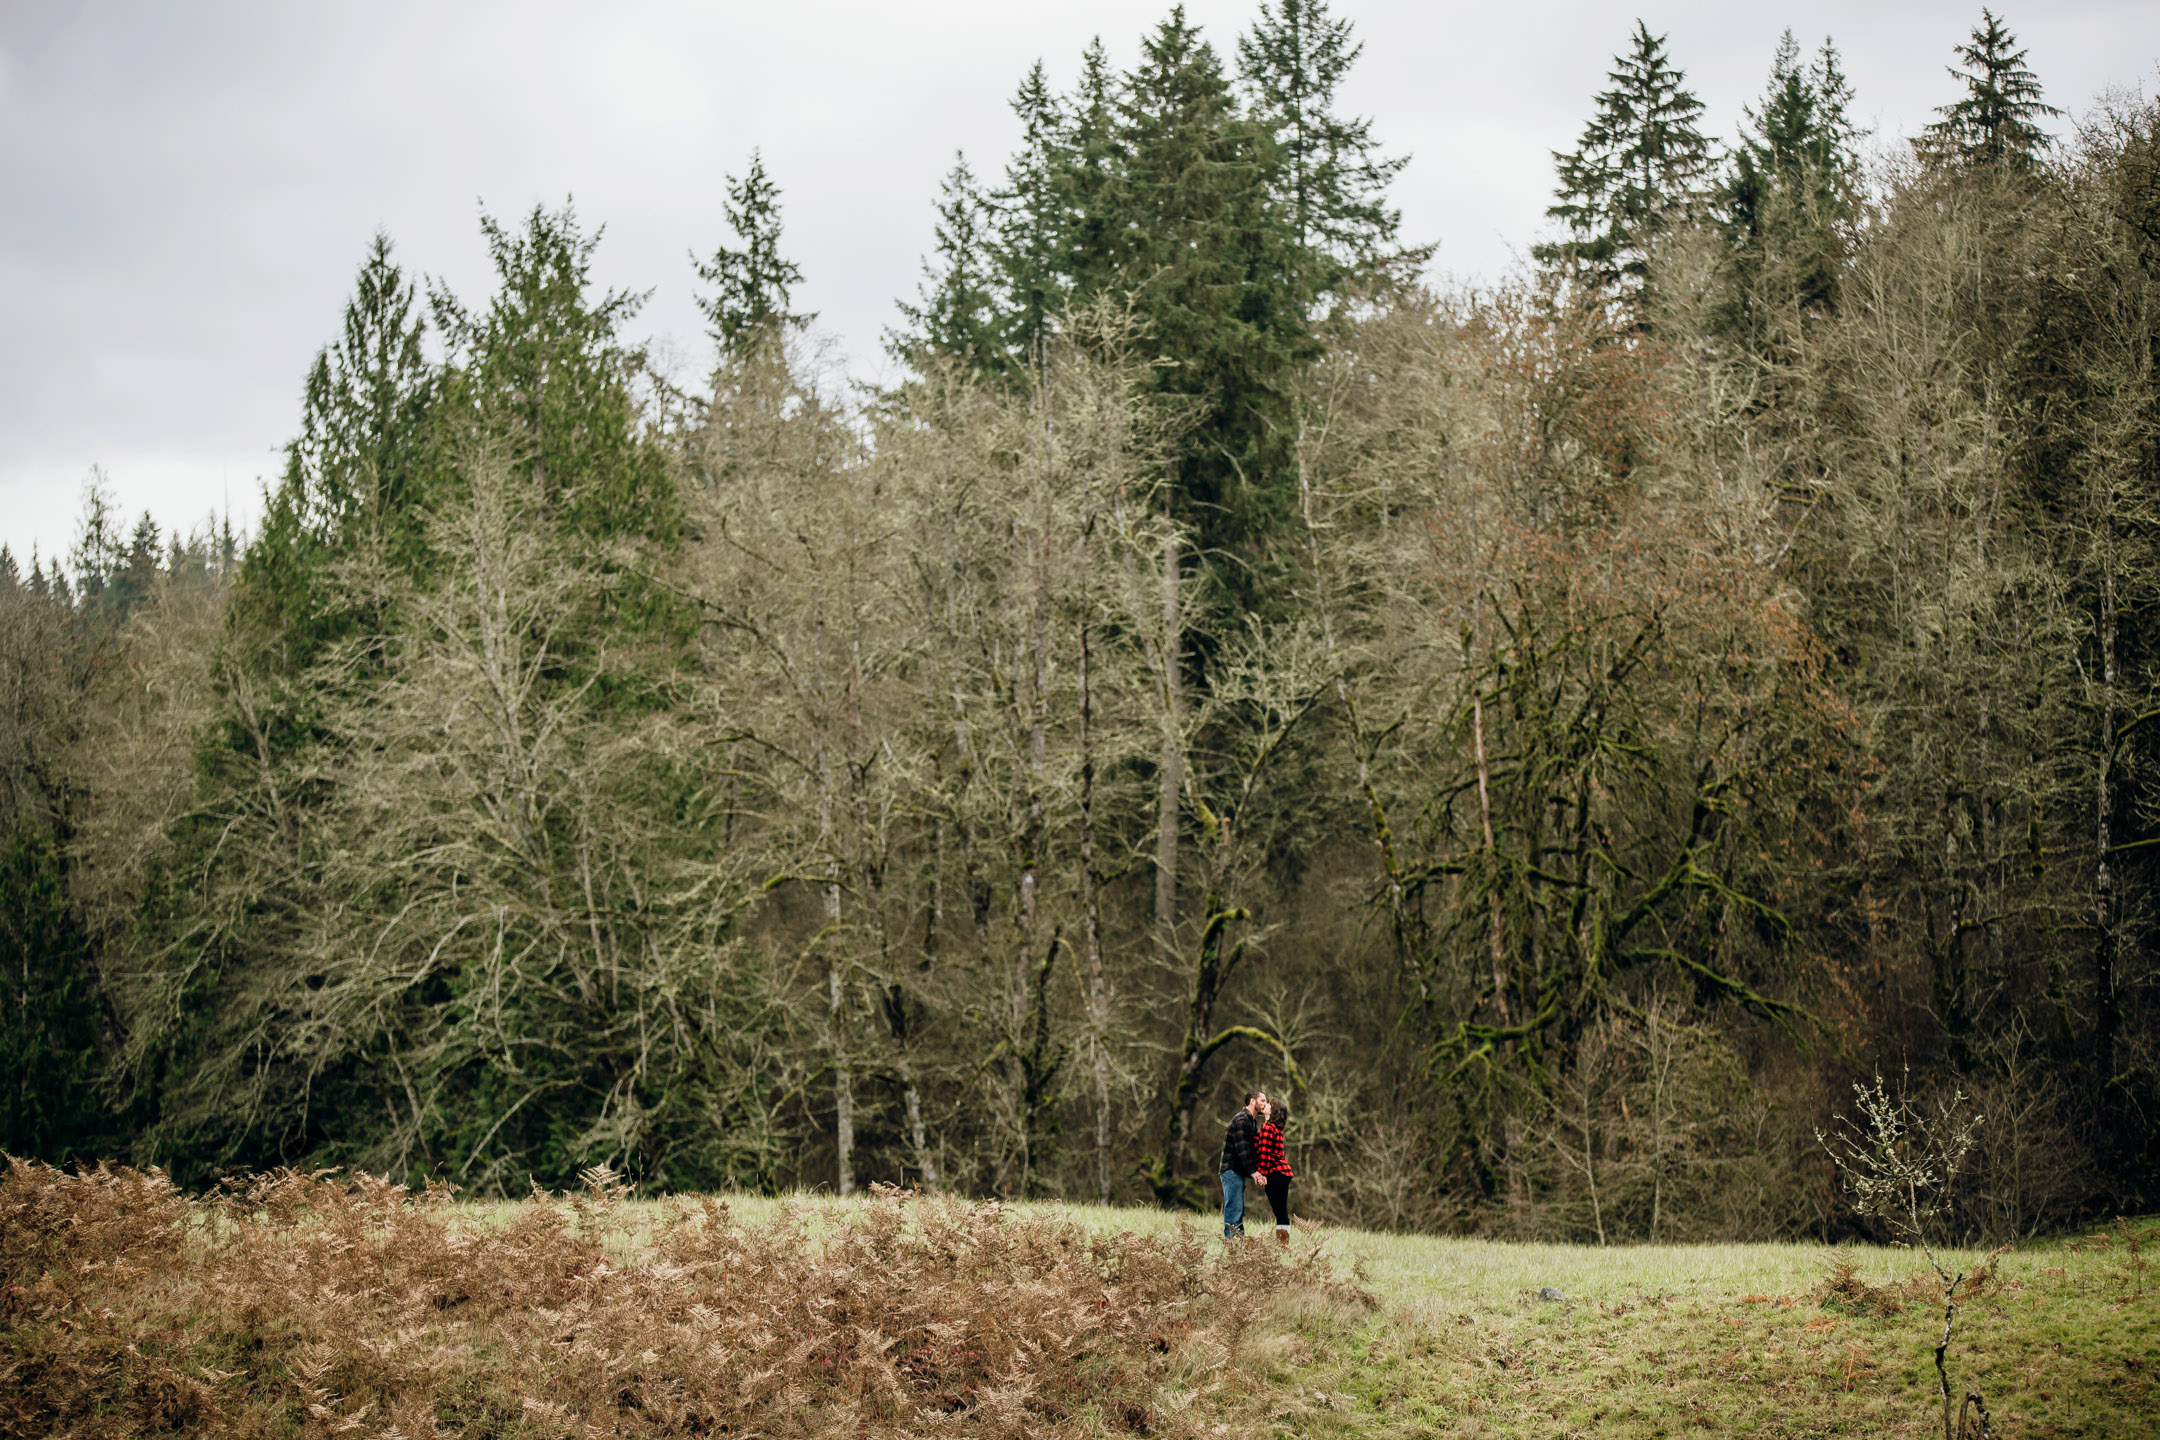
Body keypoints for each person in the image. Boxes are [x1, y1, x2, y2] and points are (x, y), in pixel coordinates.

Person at [1219, 1090, 1265, 1239]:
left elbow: (1254, 1151)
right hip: (1231, 1171)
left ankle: (1239, 1246)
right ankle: (1232, 1246)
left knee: (1238, 1211)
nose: (1265, 1104)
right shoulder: (1241, 1119)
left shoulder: (1251, 1122)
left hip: (1237, 1172)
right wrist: (1254, 1173)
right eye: (1262, 1100)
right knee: (1234, 1210)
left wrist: (1259, 1173)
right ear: (1253, 1101)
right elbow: (1242, 1150)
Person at [1255, 1094, 1294, 1245]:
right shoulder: (1275, 1129)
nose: (1266, 1105)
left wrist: (1261, 1174)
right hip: (1282, 1173)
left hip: (1276, 1173)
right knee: (1281, 1211)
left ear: (1274, 1111)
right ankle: (1283, 1243)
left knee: (1280, 1211)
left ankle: (1282, 1244)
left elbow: (1264, 1154)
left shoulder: (1268, 1128)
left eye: (1270, 1104)